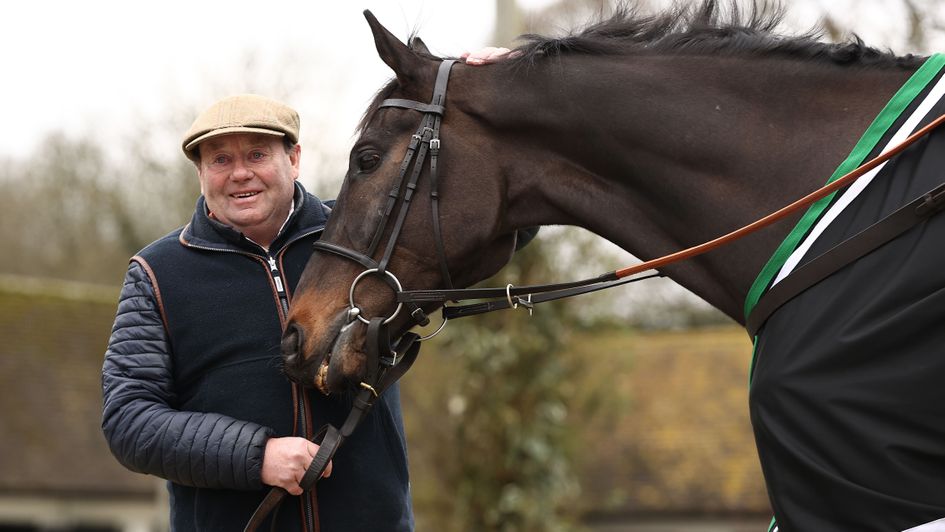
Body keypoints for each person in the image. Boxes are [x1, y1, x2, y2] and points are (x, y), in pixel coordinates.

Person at [101, 49, 515, 531]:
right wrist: (255, 455)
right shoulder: (156, 272)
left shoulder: (371, 237)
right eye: (220, 160)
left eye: (257, 154)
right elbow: (129, 420)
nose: (240, 173)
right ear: (201, 173)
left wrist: (497, 88)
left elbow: (500, 220)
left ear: (294, 159)